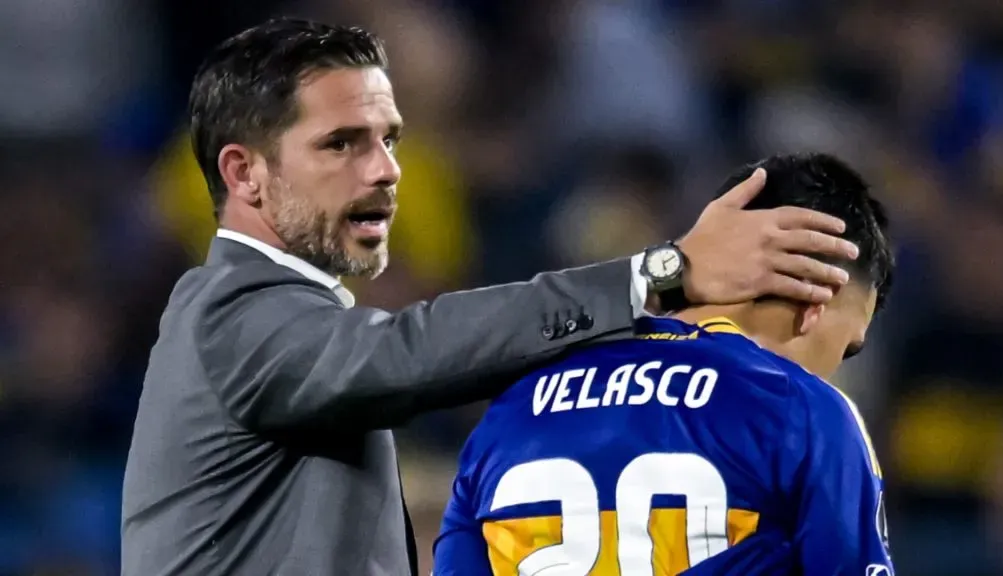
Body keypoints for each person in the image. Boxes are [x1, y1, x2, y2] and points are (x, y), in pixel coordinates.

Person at [119, 17, 860, 576]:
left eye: (389, 139)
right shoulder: (225, 315)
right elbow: (406, 352)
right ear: (244, 174)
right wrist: (658, 274)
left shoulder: (296, 331)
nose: (385, 170)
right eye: (342, 143)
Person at [432, 153, 896, 576]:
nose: (834, 367)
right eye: (848, 347)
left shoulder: (512, 411)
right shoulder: (803, 412)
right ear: (814, 301)